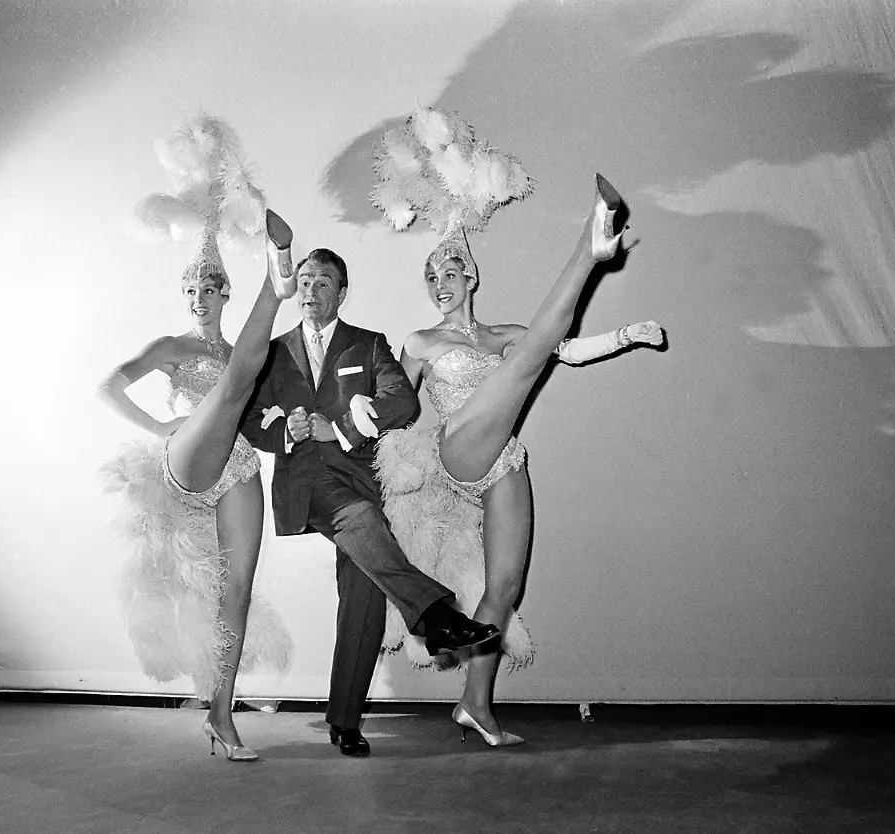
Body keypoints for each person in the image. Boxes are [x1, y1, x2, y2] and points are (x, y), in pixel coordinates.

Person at [371, 107, 664, 747]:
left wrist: (627, 335)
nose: (439, 283)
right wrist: (363, 415)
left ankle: (475, 704)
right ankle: (589, 249)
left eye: (449, 273)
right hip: (456, 448)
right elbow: (395, 403)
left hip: (502, 460)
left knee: (504, 585)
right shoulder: (420, 341)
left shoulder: (501, 334)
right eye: (431, 276)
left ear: (471, 276)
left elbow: (568, 350)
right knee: (525, 360)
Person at [240, 247, 501, 757]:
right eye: (305, 280)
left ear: (341, 293)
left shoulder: (369, 343)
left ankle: (344, 720)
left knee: (363, 594)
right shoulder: (272, 353)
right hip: (308, 486)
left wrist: (339, 428)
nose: (311, 290)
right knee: (357, 517)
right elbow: (249, 418)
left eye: (323, 282)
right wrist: (287, 430)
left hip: (361, 482)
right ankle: (435, 615)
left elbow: (403, 402)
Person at [99, 115, 297, 762]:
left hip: (235, 464)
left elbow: (255, 412)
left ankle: (221, 713)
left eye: (208, 288)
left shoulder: (237, 352)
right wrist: (158, 426)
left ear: (222, 293)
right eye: (190, 289)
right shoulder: (172, 346)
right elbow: (109, 386)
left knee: (235, 590)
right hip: (184, 460)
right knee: (237, 378)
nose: (198, 297)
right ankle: (278, 283)